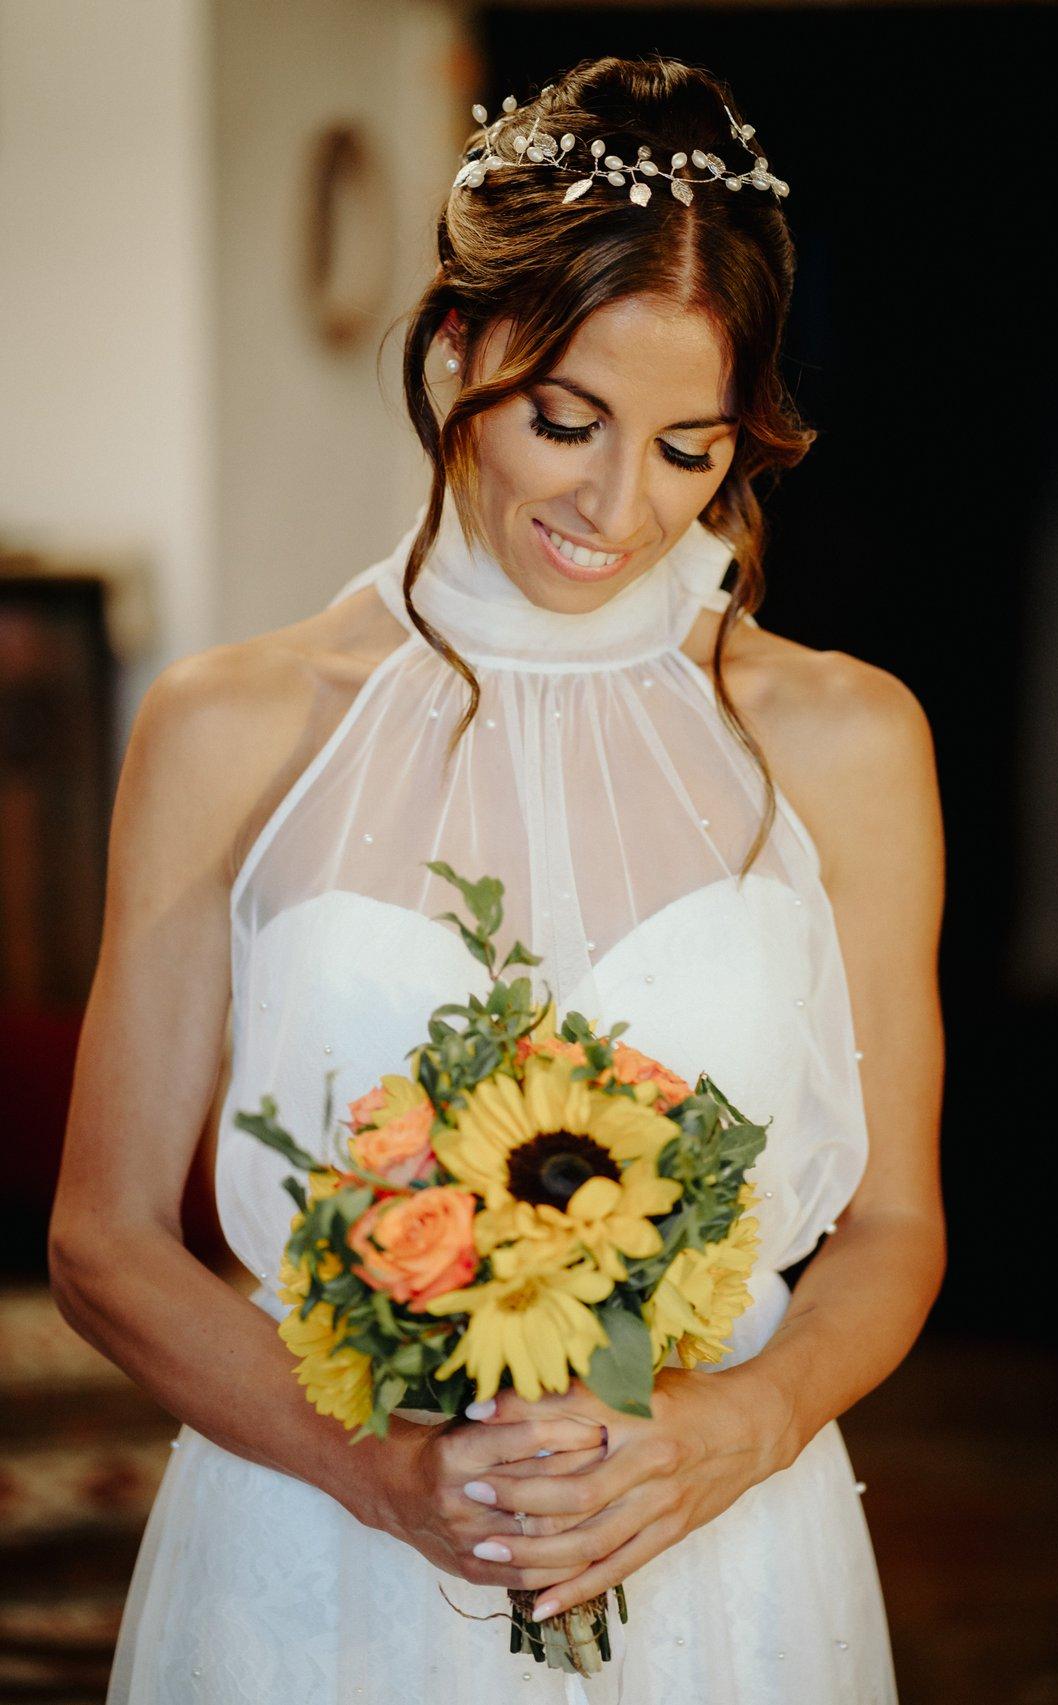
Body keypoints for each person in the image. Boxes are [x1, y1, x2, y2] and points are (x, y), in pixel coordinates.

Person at [49, 53, 945, 1704]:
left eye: (689, 447)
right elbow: (104, 1240)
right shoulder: (231, 724)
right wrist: (381, 1472)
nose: (617, 508)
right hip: (314, 1559)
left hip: (719, 1552)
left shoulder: (845, 736)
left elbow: (892, 1226)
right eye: (563, 422)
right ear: (458, 345)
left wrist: (730, 1427)